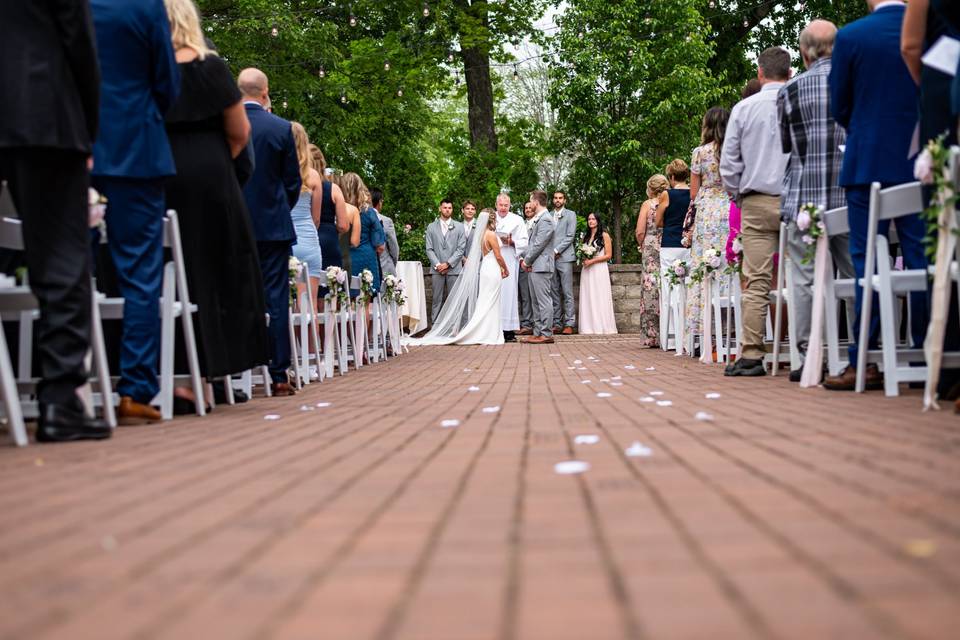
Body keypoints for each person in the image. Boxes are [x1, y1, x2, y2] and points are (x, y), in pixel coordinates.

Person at [0, 1, 111, 441]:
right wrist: (87, 125)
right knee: (61, 261)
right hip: (44, 113)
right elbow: (80, 44)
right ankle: (61, 400)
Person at [162, 0, 268, 411]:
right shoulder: (209, 66)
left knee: (173, 272)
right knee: (219, 271)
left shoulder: (148, 68)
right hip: (210, 176)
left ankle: (175, 374)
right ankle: (215, 374)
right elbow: (239, 132)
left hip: (161, 172)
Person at [824, 0, 927, 391]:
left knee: (867, 263)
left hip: (867, 161)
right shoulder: (931, 27)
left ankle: (864, 360)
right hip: (921, 159)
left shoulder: (851, 36)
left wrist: (866, 129)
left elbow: (841, 106)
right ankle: (927, 352)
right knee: (922, 260)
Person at [90, 0, 180, 423]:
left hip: (77, 144)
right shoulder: (145, 7)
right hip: (137, 148)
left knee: (66, 265)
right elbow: (167, 82)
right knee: (140, 273)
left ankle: (67, 385)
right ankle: (134, 390)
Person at [777, 20, 854, 382]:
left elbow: (788, 147)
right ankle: (861, 354)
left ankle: (809, 356)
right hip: (848, 196)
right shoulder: (853, 82)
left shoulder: (789, 91)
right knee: (855, 274)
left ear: (805, 52)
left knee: (805, 279)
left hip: (805, 197)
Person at [720, 47, 792, 377]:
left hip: (756, 201)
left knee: (756, 279)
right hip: (797, 201)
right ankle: (805, 349)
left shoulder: (744, 108)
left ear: (760, 73)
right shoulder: (799, 102)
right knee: (801, 278)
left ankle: (751, 353)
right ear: (789, 73)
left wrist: (739, 194)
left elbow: (729, 162)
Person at [238, 67, 302, 396]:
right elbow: (292, 181)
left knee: (235, 295)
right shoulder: (281, 128)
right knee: (276, 299)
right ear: (265, 93)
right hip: (273, 226)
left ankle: (236, 370)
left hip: (235, 225)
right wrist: (278, 207)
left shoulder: (227, 125)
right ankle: (278, 374)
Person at [406, 211, 508, 346]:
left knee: (485, 300)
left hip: (485, 269)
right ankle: (487, 332)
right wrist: (505, 269)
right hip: (492, 269)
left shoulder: (481, 235)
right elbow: (498, 256)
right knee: (491, 300)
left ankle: (486, 331)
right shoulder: (491, 235)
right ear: (492, 221)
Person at [687, 107, 732, 347]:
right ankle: (730, 325)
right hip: (729, 208)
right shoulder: (732, 149)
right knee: (727, 263)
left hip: (706, 214)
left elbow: (693, 193)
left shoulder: (699, 153)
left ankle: (705, 327)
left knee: (705, 265)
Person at [655, 160, 692, 349]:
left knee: (669, 288)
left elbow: (658, 221)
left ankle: (670, 339)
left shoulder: (666, 194)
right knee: (688, 286)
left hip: (670, 243)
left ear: (671, 177)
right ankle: (688, 335)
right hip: (688, 245)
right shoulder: (694, 193)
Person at [309, 145, 350, 302]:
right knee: (328, 293)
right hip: (328, 240)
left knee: (303, 293)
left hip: (305, 237)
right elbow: (344, 225)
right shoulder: (333, 189)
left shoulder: (299, 185)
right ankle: (327, 326)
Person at [289, 122, 324, 303]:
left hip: (285, 240)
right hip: (308, 240)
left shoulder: (278, 171)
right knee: (309, 307)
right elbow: (316, 218)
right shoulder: (313, 175)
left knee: (286, 305)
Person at [340, 173, 385, 298]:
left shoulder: (338, 210)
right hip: (366, 259)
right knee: (365, 300)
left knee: (342, 301)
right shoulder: (369, 212)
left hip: (343, 258)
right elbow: (380, 245)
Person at [635, 174, 668, 346]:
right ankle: (669, 330)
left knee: (651, 288)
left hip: (650, 249)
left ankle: (652, 335)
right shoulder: (667, 202)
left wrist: (641, 243)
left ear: (650, 188)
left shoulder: (648, 204)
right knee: (667, 286)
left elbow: (640, 230)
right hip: (667, 246)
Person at [520, 191, 556, 344]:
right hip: (535, 265)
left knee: (543, 300)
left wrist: (527, 261)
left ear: (535, 202)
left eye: (531, 201)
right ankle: (538, 332)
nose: (530, 204)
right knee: (535, 301)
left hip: (542, 265)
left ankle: (546, 333)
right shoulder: (539, 219)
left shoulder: (546, 220)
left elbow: (539, 244)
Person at [424, 199, 466, 323]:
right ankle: (435, 326)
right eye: (445, 207)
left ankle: (453, 326)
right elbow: (429, 248)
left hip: (454, 269)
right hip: (437, 270)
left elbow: (461, 248)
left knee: (453, 299)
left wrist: (448, 264)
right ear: (440, 209)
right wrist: (438, 265)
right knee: (436, 299)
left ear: (452, 210)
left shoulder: (459, 226)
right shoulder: (431, 227)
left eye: (449, 208)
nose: (447, 210)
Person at [495, 192, 529, 341]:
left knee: (509, 293)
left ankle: (508, 329)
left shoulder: (517, 219)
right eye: (501, 205)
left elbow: (525, 241)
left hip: (509, 258)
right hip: (492, 259)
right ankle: (493, 327)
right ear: (496, 205)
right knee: (493, 292)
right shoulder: (490, 217)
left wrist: (512, 241)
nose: (503, 208)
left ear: (510, 205)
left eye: (506, 205)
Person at [578, 213, 618, 335]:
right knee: (588, 295)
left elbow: (608, 255)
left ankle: (602, 326)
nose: (591, 221)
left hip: (599, 268)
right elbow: (581, 251)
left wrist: (592, 260)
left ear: (598, 221)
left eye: (593, 219)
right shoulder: (585, 236)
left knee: (599, 295)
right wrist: (584, 258)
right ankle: (588, 326)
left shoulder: (604, 235)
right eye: (589, 219)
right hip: (587, 270)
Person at [551, 190, 577, 334]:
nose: (558, 200)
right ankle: (557, 323)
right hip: (549, 259)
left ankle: (569, 323)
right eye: (555, 198)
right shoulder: (547, 215)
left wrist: (556, 251)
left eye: (560, 198)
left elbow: (570, 236)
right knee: (554, 291)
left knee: (567, 292)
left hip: (564, 257)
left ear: (564, 200)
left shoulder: (570, 215)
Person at [518, 202, 537, 335]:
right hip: (520, 263)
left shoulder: (539, 223)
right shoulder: (521, 224)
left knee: (534, 296)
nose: (528, 210)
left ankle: (533, 323)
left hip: (534, 263)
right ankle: (525, 323)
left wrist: (529, 261)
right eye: (526, 208)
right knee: (523, 295)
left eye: (531, 208)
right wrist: (520, 259)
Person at [373, 188, 399, 278]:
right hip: (385, 267)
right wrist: (393, 262)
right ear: (379, 202)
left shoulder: (360, 218)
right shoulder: (386, 221)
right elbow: (394, 247)